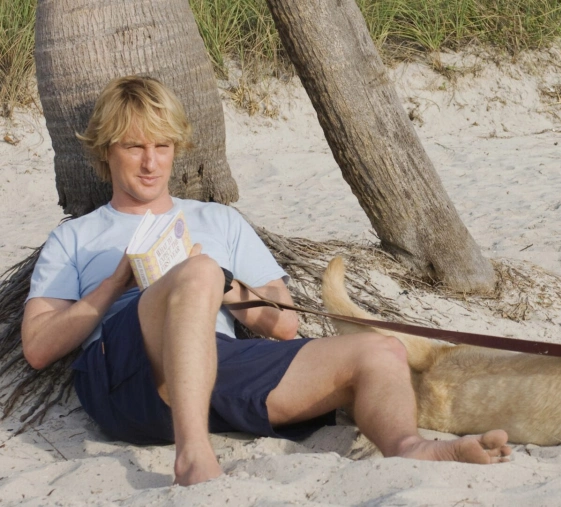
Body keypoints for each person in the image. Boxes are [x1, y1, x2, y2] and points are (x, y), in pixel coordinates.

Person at [21, 75, 511, 486]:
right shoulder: (77, 236)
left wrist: (224, 284)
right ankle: (194, 454)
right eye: (134, 147)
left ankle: (407, 445)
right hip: (125, 377)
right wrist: (116, 282)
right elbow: (39, 348)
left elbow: (283, 324)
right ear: (107, 151)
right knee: (198, 270)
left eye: (161, 146)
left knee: (379, 351)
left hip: (212, 363)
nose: (151, 163)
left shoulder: (218, 220)